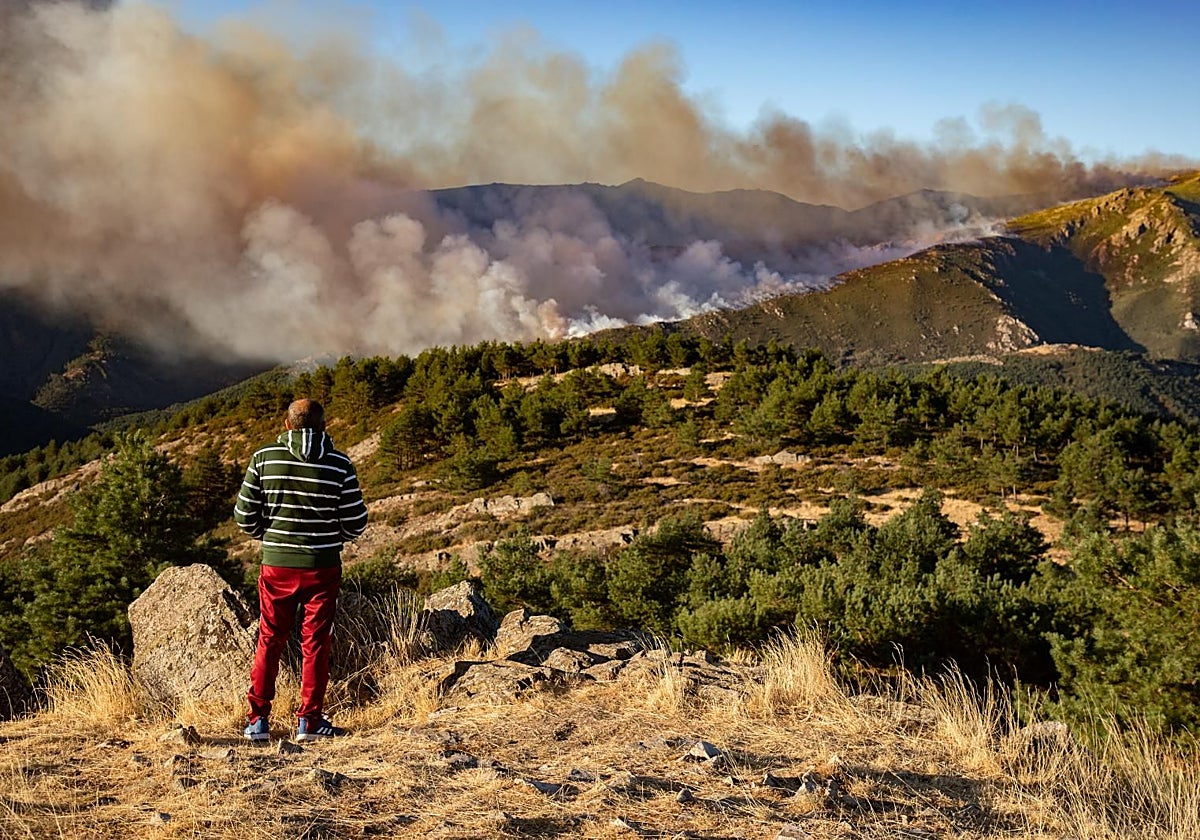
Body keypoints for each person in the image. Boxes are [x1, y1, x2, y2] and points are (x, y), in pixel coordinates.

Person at [234, 398, 368, 742]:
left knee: (270, 639)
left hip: (277, 566)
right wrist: (327, 536)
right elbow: (355, 522)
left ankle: (258, 720)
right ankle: (309, 721)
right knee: (316, 643)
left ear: (286, 423)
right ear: (324, 426)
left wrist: (272, 536)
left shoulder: (264, 459)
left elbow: (244, 517)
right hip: (322, 568)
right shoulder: (340, 464)